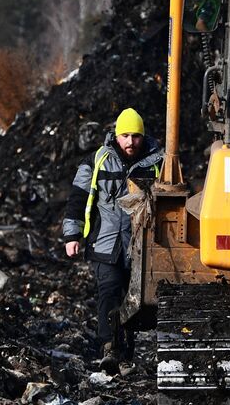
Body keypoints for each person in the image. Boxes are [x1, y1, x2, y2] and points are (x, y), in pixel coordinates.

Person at [63, 107, 162, 371]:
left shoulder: (159, 162)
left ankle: (125, 351)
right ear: (116, 135)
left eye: (136, 136)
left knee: (132, 297)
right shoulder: (96, 161)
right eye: (126, 135)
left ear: (144, 136)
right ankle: (109, 348)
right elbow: (77, 200)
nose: (131, 142)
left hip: (140, 246)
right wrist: (72, 235)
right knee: (109, 290)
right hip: (104, 242)